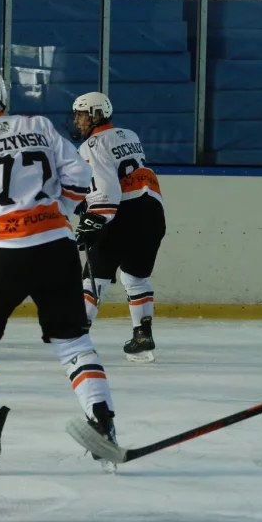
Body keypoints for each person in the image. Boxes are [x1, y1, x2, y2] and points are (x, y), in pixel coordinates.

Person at [0, 68, 118, 474]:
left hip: (4, 254)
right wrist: (54, 214)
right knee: (73, 343)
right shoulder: (39, 126)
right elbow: (80, 177)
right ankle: (103, 423)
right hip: (57, 248)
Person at [70, 91, 166, 363]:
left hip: (121, 214)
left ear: (96, 115)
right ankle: (142, 337)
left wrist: (94, 218)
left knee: (94, 279)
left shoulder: (92, 145)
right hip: (153, 212)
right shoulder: (129, 135)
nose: (76, 120)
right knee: (135, 278)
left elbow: (107, 188)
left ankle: (76, 339)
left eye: (81, 114)